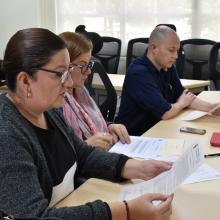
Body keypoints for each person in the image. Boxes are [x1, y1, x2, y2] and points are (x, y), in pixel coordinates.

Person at [0, 28, 173, 220]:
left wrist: (138, 168)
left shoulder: (47, 110)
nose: (67, 83)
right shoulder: (6, 134)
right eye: (59, 74)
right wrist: (126, 211)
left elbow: (82, 154)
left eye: (68, 72)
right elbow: (35, 216)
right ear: (25, 81)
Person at [115, 25, 217, 136]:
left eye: (177, 51)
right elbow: (165, 112)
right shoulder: (139, 73)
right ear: (154, 48)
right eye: (171, 50)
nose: (176, 56)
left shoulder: (167, 66)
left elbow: (183, 95)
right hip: (135, 137)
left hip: (158, 128)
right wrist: (181, 104)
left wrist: (212, 107)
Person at [59, 31, 130, 150]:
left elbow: (88, 121)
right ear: (66, 66)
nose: (88, 71)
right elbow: (59, 153)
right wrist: (86, 145)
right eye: (83, 66)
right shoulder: (56, 103)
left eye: (89, 65)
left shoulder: (81, 91)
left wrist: (109, 126)